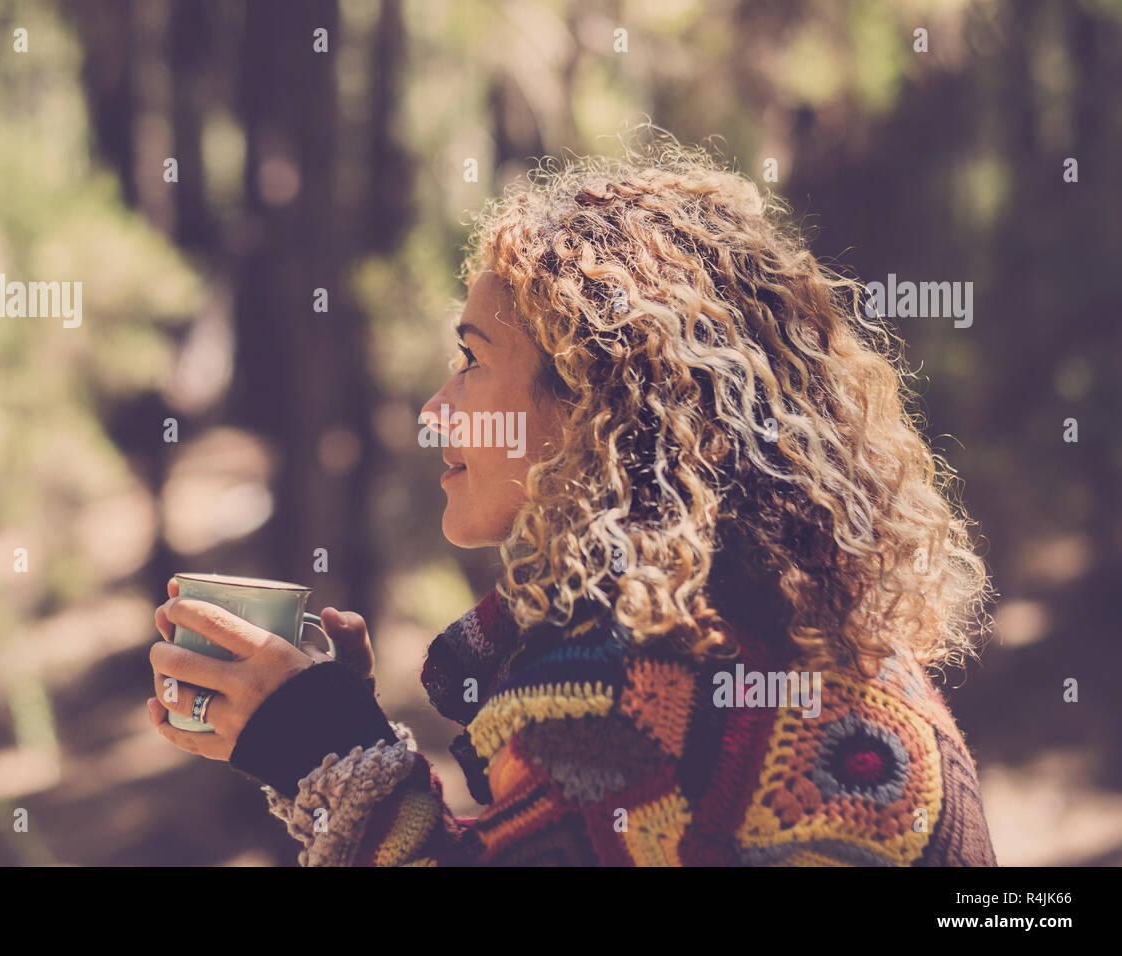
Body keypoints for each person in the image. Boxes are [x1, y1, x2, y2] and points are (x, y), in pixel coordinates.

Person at [146, 129, 999, 866]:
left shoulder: (641, 692)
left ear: (595, 405)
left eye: (472, 360)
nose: (434, 409)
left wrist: (318, 745)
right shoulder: (788, 631)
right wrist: (331, 735)